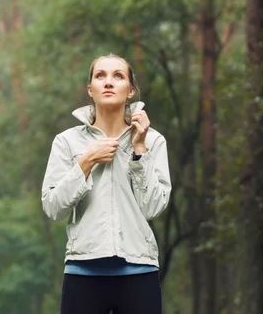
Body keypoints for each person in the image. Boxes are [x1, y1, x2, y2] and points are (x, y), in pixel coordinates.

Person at [41, 53, 171, 314]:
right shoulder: (66, 142)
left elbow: (154, 207)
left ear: (131, 90)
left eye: (118, 76)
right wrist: (86, 162)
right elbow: (53, 208)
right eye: (100, 76)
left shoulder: (153, 141)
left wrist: (139, 150)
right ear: (90, 90)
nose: (108, 82)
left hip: (139, 270)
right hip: (82, 271)